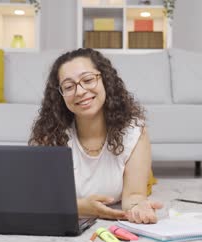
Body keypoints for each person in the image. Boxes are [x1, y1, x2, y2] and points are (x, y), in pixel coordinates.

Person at [29, 48, 163, 224]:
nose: (80, 91)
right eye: (69, 87)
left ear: (105, 80)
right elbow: (37, 199)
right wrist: (80, 208)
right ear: (59, 95)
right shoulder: (48, 135)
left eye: (88, 80)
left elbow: (134, 195)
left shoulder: (134, 131)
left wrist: (138, 207)